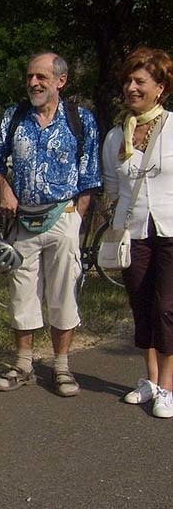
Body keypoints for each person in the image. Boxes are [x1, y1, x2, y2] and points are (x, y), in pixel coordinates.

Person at [0, 52, 101, 397]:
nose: (33, 83)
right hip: (23, 222)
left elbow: (90, 176)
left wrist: (77, 218)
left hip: (62, 217)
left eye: (41, 77)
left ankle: (62, 367)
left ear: (60, 81)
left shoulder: (80, 120)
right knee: (22, 294)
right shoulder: (15, 116)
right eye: (29, 77)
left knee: (62, 294)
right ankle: (23, 363)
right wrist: (5, 190)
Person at [101, 47, 173, 418]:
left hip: (170, 230)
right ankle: (149, 380)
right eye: (128, 81)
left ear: (159, 87)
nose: (131, 87)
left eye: (140, 81)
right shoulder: (117, 137)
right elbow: (113, 187)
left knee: (166, 308)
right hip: (133, 232)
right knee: (142, 307)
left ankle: (167, 387)